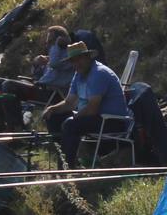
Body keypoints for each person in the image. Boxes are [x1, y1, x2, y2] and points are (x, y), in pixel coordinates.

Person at [41, 41, 131, 169]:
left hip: (113, 121)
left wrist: (75, 117)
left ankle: (67, 168)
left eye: (80, 59)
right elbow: (69, 103)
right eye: (73, 61)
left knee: (70, 124)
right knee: (53, 117)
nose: (77, 64)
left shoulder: (98, 73)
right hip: (97, 118)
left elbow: (92, 108)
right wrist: (52, 109)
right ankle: (63, 158)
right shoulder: (79, 75)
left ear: (88, 57)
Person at [0, 26, 72, 105]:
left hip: (54, 95)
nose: (47, 45)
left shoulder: (68, 56)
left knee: (8, 85)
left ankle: (14, 120)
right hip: (41, 89)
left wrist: (56, 46)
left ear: (60, 41)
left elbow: (54, 64)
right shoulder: (53, 57)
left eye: (50, 42)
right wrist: (36, 64)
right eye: (47, 43)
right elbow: (36, 76)